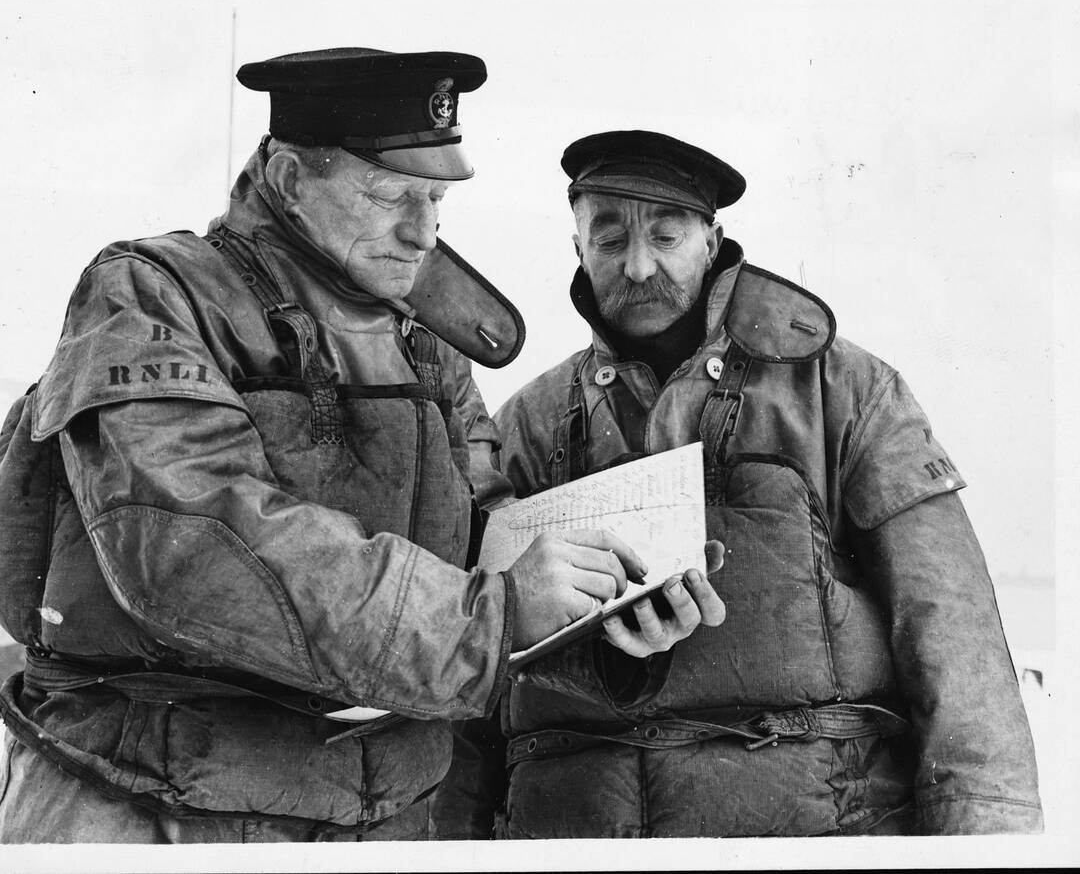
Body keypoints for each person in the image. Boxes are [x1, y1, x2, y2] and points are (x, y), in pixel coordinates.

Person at [0, 52, 725, 843]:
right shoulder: (154, 295)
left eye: (436, 197)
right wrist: (496, 616)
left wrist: (602, 608)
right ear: (295, 179)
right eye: (393, 195)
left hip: (382, 820)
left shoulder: (426, 341)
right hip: (148, 808)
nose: (424, 230)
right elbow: (196, 547)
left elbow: (481, 527)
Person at [433, 129, 1044, 838]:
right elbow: (470, 688)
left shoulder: (843, 390)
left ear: (711, 240)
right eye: (608, 240)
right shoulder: (529, 428)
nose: (637, 267)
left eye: (665, 236)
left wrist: (988, 841)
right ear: (576, 249)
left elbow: (954, 639)